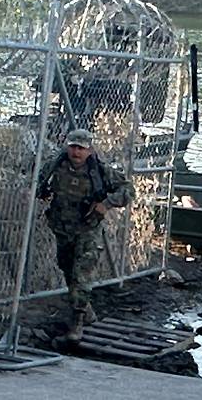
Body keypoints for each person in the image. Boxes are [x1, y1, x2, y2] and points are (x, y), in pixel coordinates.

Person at [37, 129, 135, 342]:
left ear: (89, 150)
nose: (76, 152)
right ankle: (86, 311)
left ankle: (77, 322)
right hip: (63, 229)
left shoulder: (99, 171)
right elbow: (39, 182)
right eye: (73, 146)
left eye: (81, 148)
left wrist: (106, 204)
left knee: (82, 275)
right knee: (67, 270)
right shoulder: (56, 165)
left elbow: (128, 189)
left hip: (88, 231)